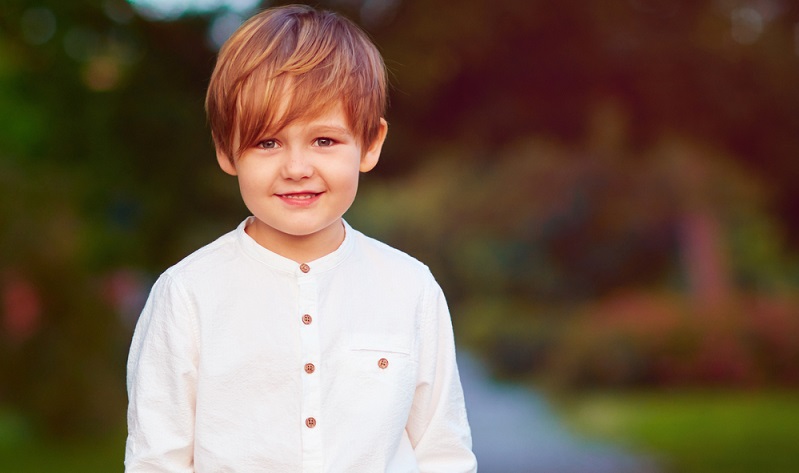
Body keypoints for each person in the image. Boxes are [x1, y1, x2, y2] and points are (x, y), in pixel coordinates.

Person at [125, 4, 477, 472]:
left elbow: (442, 453)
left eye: (324, 141)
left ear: (370, 144)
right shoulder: (187, 294)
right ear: (227, 149)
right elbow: (157, 461)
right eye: (267, 142)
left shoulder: (410, 289)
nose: (296, 168)